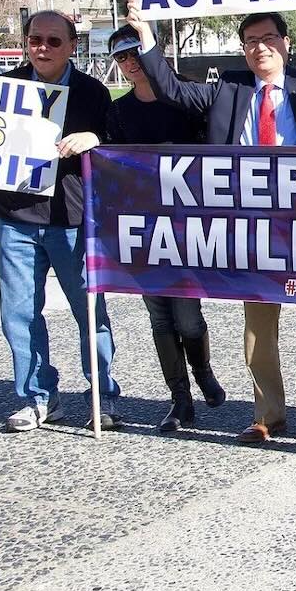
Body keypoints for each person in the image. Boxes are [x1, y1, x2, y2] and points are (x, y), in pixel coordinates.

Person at [129, 0, 296, 450]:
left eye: (267, 38)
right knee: (257, 328)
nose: (259, 47)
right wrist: (146, 35)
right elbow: (171, 88)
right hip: (251, 228)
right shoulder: (229, 88)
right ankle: (268, 415)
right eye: (249, 40)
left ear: (286, 43)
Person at [0, 10, 122, 432]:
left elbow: (119, 150)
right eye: (35, 39)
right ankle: (38, 397)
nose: (43, 48)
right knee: (18, 313)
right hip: (15, 218)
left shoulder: (92, 93)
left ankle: (102, 396)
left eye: (54, 41)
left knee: (89, 311)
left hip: (71, 220)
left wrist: (96, 140)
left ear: (73, 46)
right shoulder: (5, 88)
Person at [105, 26, 227, 433]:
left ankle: (203, 371)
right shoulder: (119, 111)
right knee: (159, 317)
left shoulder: (186, 99)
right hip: (142, 230)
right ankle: (180, 399)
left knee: (188, 318)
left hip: (187, 227)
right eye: (121, 57)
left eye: (136, 51)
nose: (130, 62)